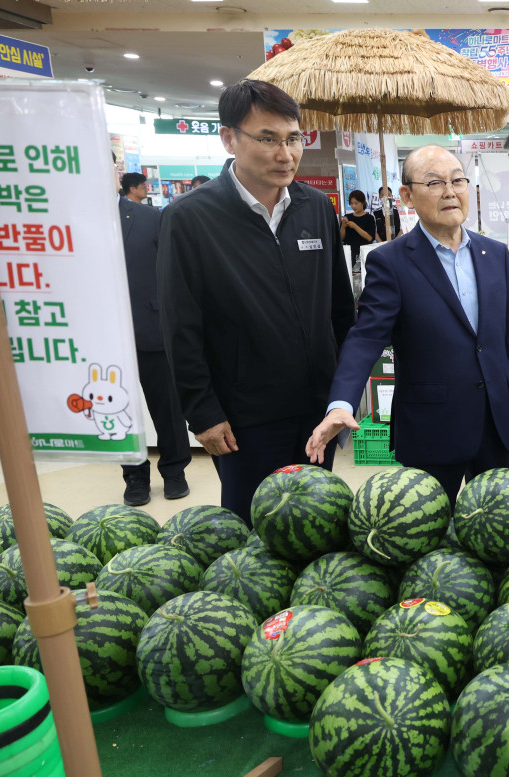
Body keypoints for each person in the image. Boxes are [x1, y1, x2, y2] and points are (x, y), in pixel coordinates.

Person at [158, 79, 356, 524]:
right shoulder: (190, 218)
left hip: (316, 409)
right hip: (244, 418)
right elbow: (180, 325)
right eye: (267, 139)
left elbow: (340, 309)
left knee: (318, 522)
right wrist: (203, 413)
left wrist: (342, 393)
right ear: (229, 137)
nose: (285, 154)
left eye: (293, 139)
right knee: (255, 534)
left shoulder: (316, 207)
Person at [305, 145, 509, 505]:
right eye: (434, 183)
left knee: (500, 529)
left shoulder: (493, 253)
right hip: (433, 425)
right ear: (407, 195)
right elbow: (366, 338)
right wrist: (341, 403)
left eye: (458, 180)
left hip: (498, 422)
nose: (450, 191)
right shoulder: (391, 261)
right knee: (426, 536)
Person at [118, 179, 191, 506]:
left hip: (152, 325)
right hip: (103, 337)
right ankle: (134, 476)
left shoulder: (150, 217)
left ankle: (175, 471)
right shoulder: (73, 224)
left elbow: (175, 271)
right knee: (117, 409)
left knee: (168, 406)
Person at [341, 189, 377, 295]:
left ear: (363, 203)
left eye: (356, 203)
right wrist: (343, 226)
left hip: (363, 254)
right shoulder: (348, 217)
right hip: (350, 254)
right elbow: (342, 237)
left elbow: (369, 237)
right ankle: (356, 301)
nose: (353, 206)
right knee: (354, 281)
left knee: (365, 279)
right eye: (351, 203)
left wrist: (355, 226)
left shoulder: (369, 218)